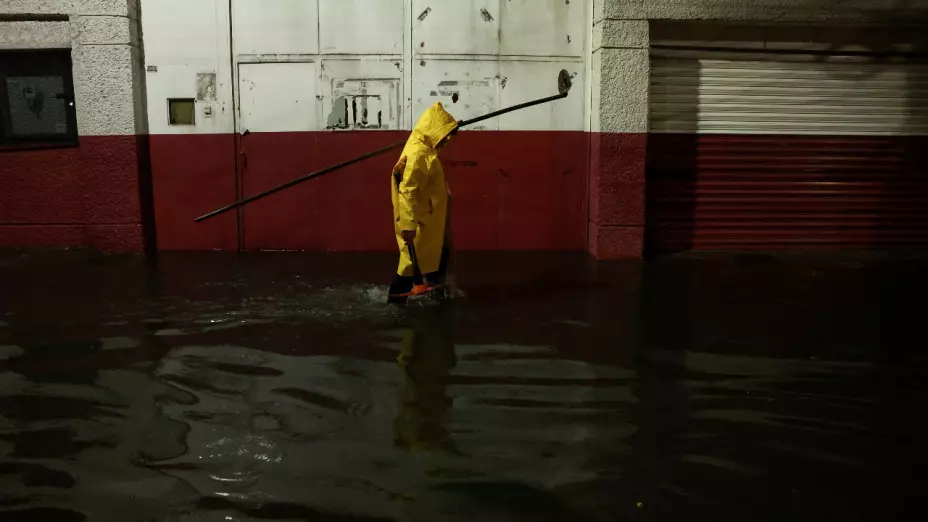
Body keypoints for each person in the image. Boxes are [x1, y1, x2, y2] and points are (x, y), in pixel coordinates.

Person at [388, 101, 458, 304]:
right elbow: (407, 192)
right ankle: (395, 305)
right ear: (433, 131)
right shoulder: (418, 154)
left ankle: (437, 293)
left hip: (429, 218)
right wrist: (408, 226)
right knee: (409, 265)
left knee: (434, 257)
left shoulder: (424, 146)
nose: (446, 141)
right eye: (445, 136)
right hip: (419, 222)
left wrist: (452, 127)